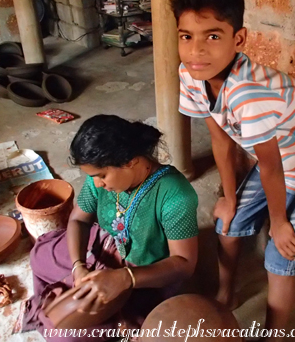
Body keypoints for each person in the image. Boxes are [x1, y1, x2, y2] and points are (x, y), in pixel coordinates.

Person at [171, 0, 295, 340]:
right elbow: (220, 140)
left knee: (280, 257)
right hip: (284, 149)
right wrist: (228, 196)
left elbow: (270, 166)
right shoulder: (191, 75)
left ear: (237, 39)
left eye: (212, 36)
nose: (196, 52)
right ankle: (225, 294)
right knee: (228, 220)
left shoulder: (249, 94)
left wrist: (280, 222)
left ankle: (274, 334)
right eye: (186, 36)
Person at [20, 115, 199, 341]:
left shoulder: (175, 194)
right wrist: (78, 266)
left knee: (69, 335)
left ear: (130, 161)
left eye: (102, 176)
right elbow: (78, 220)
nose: (97, 183)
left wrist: (126, 278)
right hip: (104, 245)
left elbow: (184, 264)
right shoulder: (99, 178)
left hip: (144, 271)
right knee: (40, 253)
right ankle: (67, 294)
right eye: (93, 176)